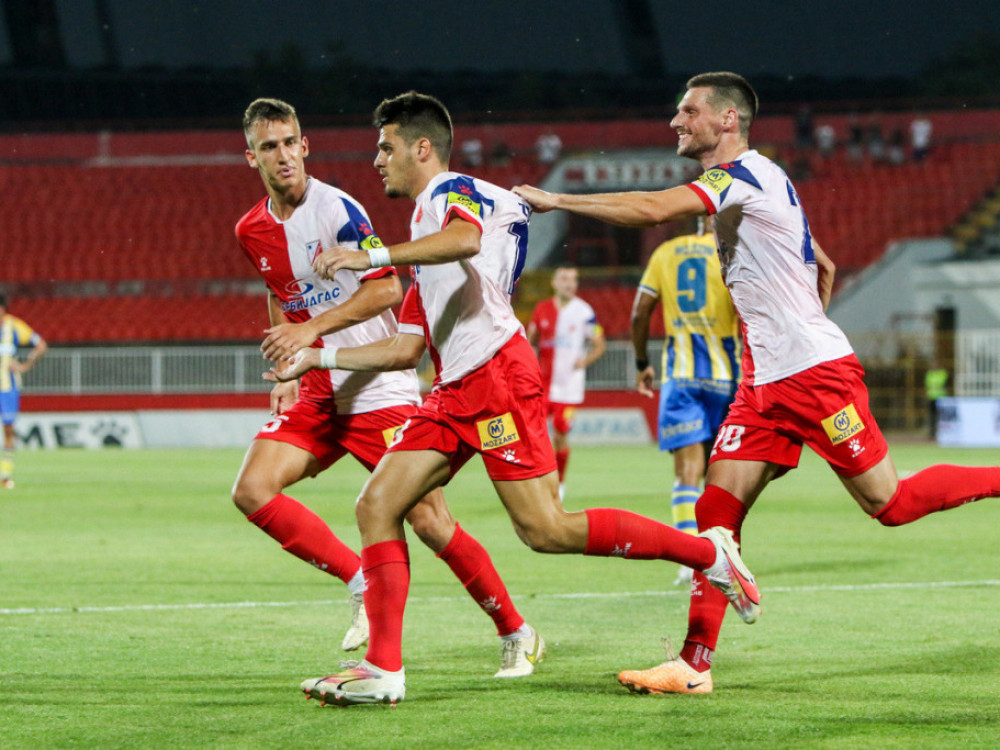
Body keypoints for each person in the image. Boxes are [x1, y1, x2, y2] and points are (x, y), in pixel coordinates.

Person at [513, 71, 1000, 695]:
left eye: (688, 111)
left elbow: (655, 208)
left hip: (812, 378)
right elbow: (819, 260)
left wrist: (559, 201)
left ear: (727, 121)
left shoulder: (742, 175)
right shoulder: (763, 181)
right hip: (763, 383)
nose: (675, 122)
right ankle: (694, 665)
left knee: (891, 505)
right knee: (716, 513)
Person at [270, 91, 760, 706]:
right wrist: (318, 355)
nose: (377, 160)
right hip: (453, 393)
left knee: (545, 530)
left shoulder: (448, 192)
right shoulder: (427, 236)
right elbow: (403, 351)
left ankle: (708, 555)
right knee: (377, 505)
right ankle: (383, 670)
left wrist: (371, 254)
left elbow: (466, 240)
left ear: (422, 148)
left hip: (498, 378)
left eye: (386, 147)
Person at [234, 97, 543, 679]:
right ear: (252, 157)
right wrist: (287, 365)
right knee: (252, 488)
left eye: (291, 142)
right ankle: (358, 578)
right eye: (269, 147)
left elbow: (383, 292)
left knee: (429, 522)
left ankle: (515, 630)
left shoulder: (337, 209)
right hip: (322, 387)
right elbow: (281, 294)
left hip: (380, 387)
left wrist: (310, 333)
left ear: (305, 146)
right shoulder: (251, 229)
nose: (283, 156)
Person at [630, 216, 740, 585]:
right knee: (720, 474)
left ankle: (691, 559)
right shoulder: (731, 253)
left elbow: (639, 312)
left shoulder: (665, 252)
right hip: (727, 377)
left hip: (681, 376)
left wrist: (643, 362)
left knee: (686, 473)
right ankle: (724, 552)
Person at [526, 265, 606, 498]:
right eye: (564, 279)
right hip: (541, 385)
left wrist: (586, 359)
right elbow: (530, 341)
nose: (569, 283)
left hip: (569, 386)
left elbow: (600, 343)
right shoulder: (541, 310)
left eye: (573, 279)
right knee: (536, 435)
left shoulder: (584, 312)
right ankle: (537, 482)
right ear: (554, 282)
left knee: (561, 434)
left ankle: (559, 485)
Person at [0, 294, 47, 489]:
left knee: (8, 430)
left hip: (7, 388)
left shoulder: (15, 326)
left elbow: (41, 345)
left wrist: (25, 365)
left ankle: (4, 474)